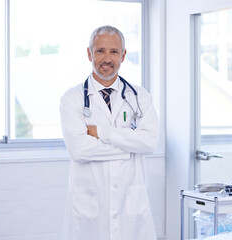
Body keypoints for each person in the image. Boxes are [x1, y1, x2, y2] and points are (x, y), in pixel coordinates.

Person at [60, 25, 159, 240]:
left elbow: (150, 142)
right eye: (100, 51)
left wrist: (103, 132)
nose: (107, 58)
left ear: (123, 55)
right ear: (89, 53)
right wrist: (128, 148)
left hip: (130, 205)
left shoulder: (139, 97)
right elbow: (79, 150)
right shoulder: (73, 99)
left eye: (114, 51)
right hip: (89, 209)